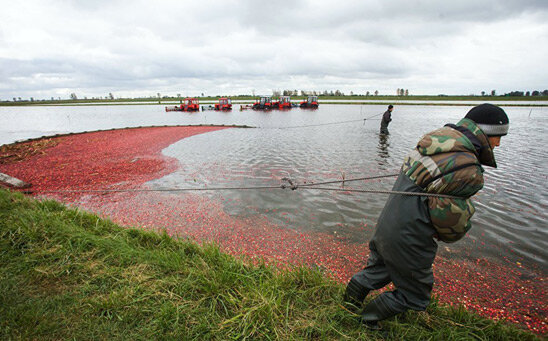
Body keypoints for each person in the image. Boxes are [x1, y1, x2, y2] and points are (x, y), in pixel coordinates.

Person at [344, 103, 509, 329]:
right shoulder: (469, 168)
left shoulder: (434, 142)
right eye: (496, 136)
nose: (498, 143)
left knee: (377, 271)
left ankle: (347, 306)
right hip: (411, 234)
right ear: (484, 133)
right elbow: (449, 223)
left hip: (387, 225)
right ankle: (366, 321)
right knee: (415, 295)